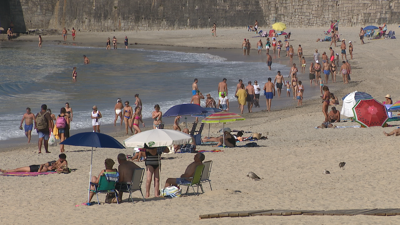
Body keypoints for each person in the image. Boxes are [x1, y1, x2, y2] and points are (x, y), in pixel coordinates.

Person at [1, 153, 68, 173]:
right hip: (37, 166)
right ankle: (7, 170)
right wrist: (44, 165)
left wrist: (43, 166)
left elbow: (39, 171)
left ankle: (6, 171)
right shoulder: (53, 162)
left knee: (18, 169)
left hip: (35, 168)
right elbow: (46, 164)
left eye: (61, 159)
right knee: (18, 169)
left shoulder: (64, 162)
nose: (59, 160)